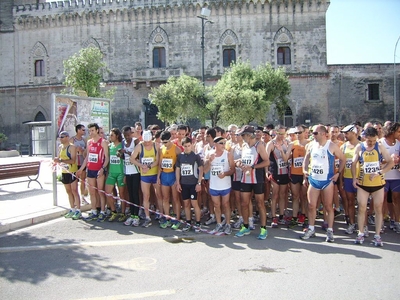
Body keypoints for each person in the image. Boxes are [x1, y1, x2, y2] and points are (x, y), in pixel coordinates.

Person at [301, 124, 345, 242]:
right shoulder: (311, 145)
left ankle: (330, 231)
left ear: (322, 133)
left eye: (314, 133)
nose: (312, 135)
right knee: (311, 206)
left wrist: (338, 173)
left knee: (328, 207)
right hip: (314, 179)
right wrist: (305, 171)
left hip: (327, 181)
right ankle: (311, 229)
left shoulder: (331, 146)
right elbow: (306, 159)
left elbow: (343, 159)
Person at [351, 127, 394, 246]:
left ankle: (377, 235)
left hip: (378, 184)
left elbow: (391, 162)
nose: (372, 143)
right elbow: (353, 164)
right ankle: (360, 233)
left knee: (378, 208)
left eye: (374, 141)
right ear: (365, 137)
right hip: (363, 184)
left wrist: (380, 172)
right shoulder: (360, 147)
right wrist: (354, 178)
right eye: (370, 141)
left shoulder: (379, 146)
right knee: (361, 208)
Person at [235, 125, 270, 240]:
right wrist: (239, 163)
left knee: (260, 203)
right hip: (245, 179)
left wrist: (253, 167)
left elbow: (266, 162)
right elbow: (243, 160)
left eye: (243, 135)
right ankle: (245, 226)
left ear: (249, 135)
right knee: (244, 203)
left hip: (257, 179)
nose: (241, 137)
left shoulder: (259, 145)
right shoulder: (244, 146)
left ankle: (263, 228)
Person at [77, 123, 109, 221]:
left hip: (99, 170)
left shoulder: (103, 142)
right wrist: (81, 169)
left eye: (92, 130)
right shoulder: (89, 142)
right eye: (89, 131)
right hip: (90, 169)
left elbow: (107, 158)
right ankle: (94, 210)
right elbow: (87, 157)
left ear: (97, 131)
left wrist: (102, 169)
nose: (90, 132)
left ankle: (103, 211)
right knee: (92, 192)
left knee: (100, 191)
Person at [204, 136, 235, 234]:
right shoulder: (209, 154)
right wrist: (209, 161)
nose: (223, 145)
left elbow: (233, 169)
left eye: (224, 143)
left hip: (225, 184)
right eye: (221, 143)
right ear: (215, 144)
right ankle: (219, 223)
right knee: (216, 205)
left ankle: (228, 224)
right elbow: (205, 170)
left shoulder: (228, 154)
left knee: (226, 204)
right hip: (214, 185)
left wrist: (225, 174)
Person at [130, 130, 160, 227]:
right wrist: (141, 165)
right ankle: (147, 217)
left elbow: (158, 160)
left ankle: (161, 213)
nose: (147, 143)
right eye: (145, 142)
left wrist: (148, 166)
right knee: (146, 196)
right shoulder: (140, 146)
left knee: (158, 195)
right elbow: (132, 158)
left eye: (149, 141)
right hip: (145, 175)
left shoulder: (156, 145)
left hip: (154, 173)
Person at [175, 137, 204, 232]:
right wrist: (178, 183)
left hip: (193, 184)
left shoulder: (195, 156)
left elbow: (201, 169)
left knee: (194, 203)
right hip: (184, 184)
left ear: (191, 145)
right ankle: (188, 222)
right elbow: (178, 170)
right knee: (186, 204)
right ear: (182, 146)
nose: (187, 148)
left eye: (188, 146)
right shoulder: (180, 156)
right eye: (185, 146)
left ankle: (198, 223)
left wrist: (199, 183)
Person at [157, 131, 182, 229]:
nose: (164, 144)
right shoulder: (161, 149)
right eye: (163, 142)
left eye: (166, 142)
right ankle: (167, 217)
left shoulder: (177, 149)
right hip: (164, 175)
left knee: (175, 198)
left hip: (173, 175)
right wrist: (158, 177)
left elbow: (180, 166)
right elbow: (160, 164)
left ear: (170, 139)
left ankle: (177, 218)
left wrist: (178, 179)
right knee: (165, 198)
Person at [266, 125, 290, 227]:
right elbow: (266, 159)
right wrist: (266, 171)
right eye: (279, 133)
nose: (281, 136)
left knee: (282, 195)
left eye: (283, 133)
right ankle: (274, 217)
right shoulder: (270, 144)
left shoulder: (287, 143)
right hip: (274, 172)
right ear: (275, 132)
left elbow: (285, 159)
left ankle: (281, 215)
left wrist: (281, 150)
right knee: (274, 195)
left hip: (284, 172)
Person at [286, 125, 309, 227]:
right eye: (296, 133)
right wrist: (282, 151)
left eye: (300, 133)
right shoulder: (292, 144)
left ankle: (304, 216)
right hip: (294, 173)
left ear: (305, 132)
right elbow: (286, 158)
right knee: (295, 196)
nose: (298, 135)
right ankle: (294, 217)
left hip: (305, 174)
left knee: (304, 197)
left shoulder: (310, 144)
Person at [55, 131, 81, 220]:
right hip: (64, 172)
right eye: (60, 137)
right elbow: (59, 158)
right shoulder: (60, 147)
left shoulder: (72, 147)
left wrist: (61, 161)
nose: (60, 139)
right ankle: (72, 208)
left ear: (67, 137)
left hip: (72, 171)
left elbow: (73, 160)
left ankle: (78, 210)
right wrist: (57, 160)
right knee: (68, 191)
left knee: (74, 191)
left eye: (62, 137)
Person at [340, 124, 361, 234]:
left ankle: (363, 226)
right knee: (350, 202)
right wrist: (341, 180)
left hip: (360, 179)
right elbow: (341, 164)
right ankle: (352, 224)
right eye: (344, 133)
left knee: (362, 204)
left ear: (354, 133)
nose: (344, 135)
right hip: (347, 178)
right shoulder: (343, 147)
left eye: (347, 133)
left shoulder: (362, 145)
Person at [104, 128, 126, 222]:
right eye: (109, 135)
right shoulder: (110, 146)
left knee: (122, 194)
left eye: (112, 135)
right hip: (112, 173)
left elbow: (126, 160)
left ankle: (123, 213)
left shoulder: (122, 145)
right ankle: (113, 211)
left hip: (121, 173)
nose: (110, 137)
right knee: (107, 192)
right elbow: (108, 160)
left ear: (117, 135)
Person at [121, 126, 141, 227]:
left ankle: (136, 215)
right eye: (125, 135)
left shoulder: (135, 141)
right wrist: (119, 153)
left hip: (136, 171)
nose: (127, 137)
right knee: (130, 194)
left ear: (131, 133)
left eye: (128, 135)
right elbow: (123, 157)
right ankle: (132, 215)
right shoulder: (123, 142)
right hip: (127, 171)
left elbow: (138, 156)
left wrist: (127, 152)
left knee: (135, 193)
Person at [70, 124, 88, 205]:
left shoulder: (84, 140)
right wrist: (76, 151)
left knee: (83, 180)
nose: (84, 131)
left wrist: (82, 151)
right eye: (83, 130)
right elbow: (69, 150)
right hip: (75, 163)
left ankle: (83, 197)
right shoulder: (72, 140)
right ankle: (75, 199)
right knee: (74, 181)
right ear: (78, 130)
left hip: (82, 162)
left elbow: (87, 151)